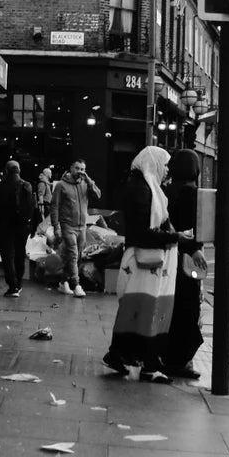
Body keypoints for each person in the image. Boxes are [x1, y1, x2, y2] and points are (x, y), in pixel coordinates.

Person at [103, 146, 181, 379]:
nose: (167, 170)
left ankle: (127, 356)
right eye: (164, 164)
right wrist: (175, 237)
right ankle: (146, 361)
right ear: (154, 163)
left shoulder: (147, 187)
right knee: (144, 309)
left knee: (138, 310)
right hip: (144, 263)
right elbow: (141, 233)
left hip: (147, 263)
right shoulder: (142, 190)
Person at [162, 149, 209, 379]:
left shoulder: (167, 191)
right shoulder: (191, 193)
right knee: (188, 309)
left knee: (173, 308)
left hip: (169, 257)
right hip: (187, 260)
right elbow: (192, 228)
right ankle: (181, 361)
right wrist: (196, 249)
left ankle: (168, 356)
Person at [50, 158, 101, 298]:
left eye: (83, 169)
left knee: (76, 256)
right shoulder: (61, 185)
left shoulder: (86, 183)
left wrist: (89, 180)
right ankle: (76, 285)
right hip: (68, 225)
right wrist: (56, 227)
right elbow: (54, 206)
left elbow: (98, 195)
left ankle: (63, 282)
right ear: (71, 168)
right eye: (77, 168)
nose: (80, 172)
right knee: (72, 254)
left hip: (82, 226)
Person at [0, 160, 37, 297]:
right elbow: (34, 207)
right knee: (20, 254)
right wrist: (32, 227)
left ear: (7, 170)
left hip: (5, 227)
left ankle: (13, 285)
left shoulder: (1, 187)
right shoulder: (27, 185)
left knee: (7, 256)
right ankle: (19, 283)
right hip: (23, 227)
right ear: (19, 170)